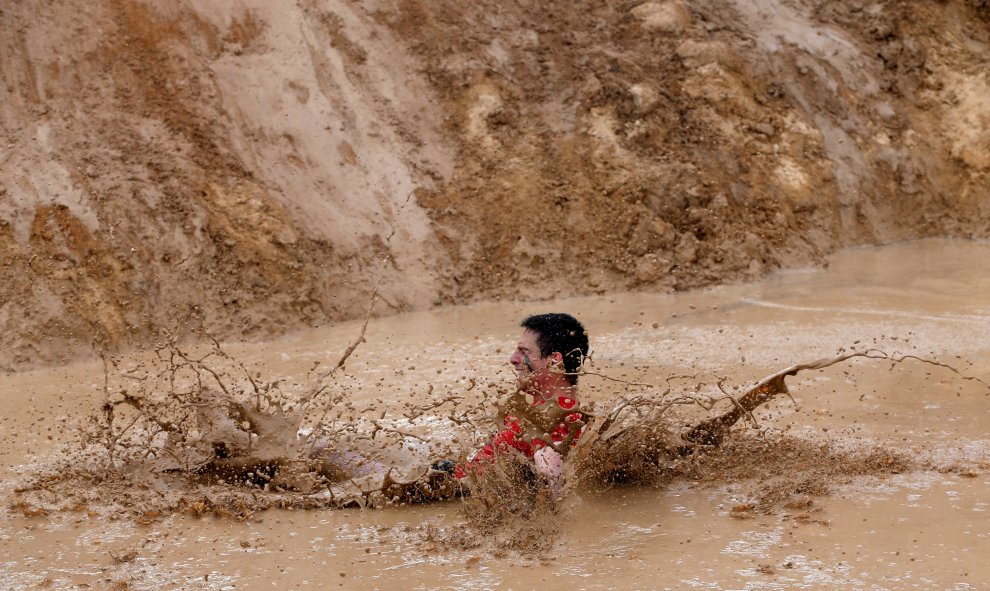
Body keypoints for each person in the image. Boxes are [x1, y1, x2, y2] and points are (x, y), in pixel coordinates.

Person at [446, 313, 590, 484]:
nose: (513, 359)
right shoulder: (560, 415)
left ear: (554, 361)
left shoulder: (554, 422)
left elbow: (556, 482)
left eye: (524, 351)